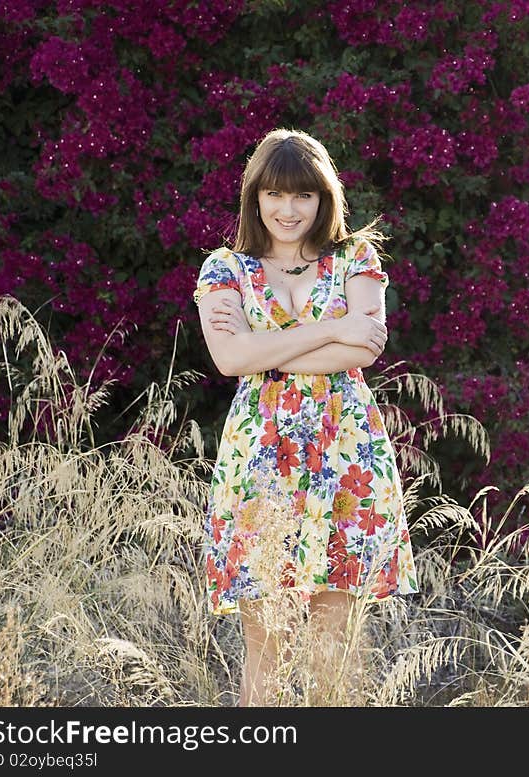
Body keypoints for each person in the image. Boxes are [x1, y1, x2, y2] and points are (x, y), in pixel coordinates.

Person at [192, 127, 419, 706]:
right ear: (255, 197)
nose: (288, 210)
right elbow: (230, 358)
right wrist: (332, 329)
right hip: (258, 462)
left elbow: (364, 349)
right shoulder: (225, 270)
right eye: (274, 195)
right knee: (265, 643)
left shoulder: (355, 259)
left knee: (333, 644)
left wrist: (270, 349)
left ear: (324, 199)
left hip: (346, 456)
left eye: (303, 196)